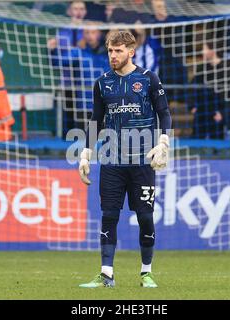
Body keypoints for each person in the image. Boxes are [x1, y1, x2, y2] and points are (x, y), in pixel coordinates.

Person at [78, 30, 172, 288]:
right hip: (112, 161)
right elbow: (96, 120)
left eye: (118, 50)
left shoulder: (149, 79)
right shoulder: (102, 83)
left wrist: (164, 141)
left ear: (131, 51)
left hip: (143, 161)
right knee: (109, 215)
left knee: (144, 216)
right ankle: (106, 274)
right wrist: (86, 151)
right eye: (110, 50)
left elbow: (164, 114)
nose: (113, 55)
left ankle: (146, 272)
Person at [49, 24, 110, 133]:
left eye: (93, 32)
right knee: (85, 144)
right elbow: (57, 62)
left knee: (106, 143)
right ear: (83, 35)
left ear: (100, 34)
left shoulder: (110, 53)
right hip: (84, 107)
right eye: (87, 32)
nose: (90, 36)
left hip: (106, 107)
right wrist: (52, 50)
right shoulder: (78, 52)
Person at [189, 43, 230, 139]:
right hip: (202, 114)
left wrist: (224, 113)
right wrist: (192, 105)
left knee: (216, 145)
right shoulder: (202, 70)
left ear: (212, 51)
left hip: (217, 115)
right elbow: (191, 88)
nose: (202, 52)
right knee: (196, 142)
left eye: (205, 49)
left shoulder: (228, 70)